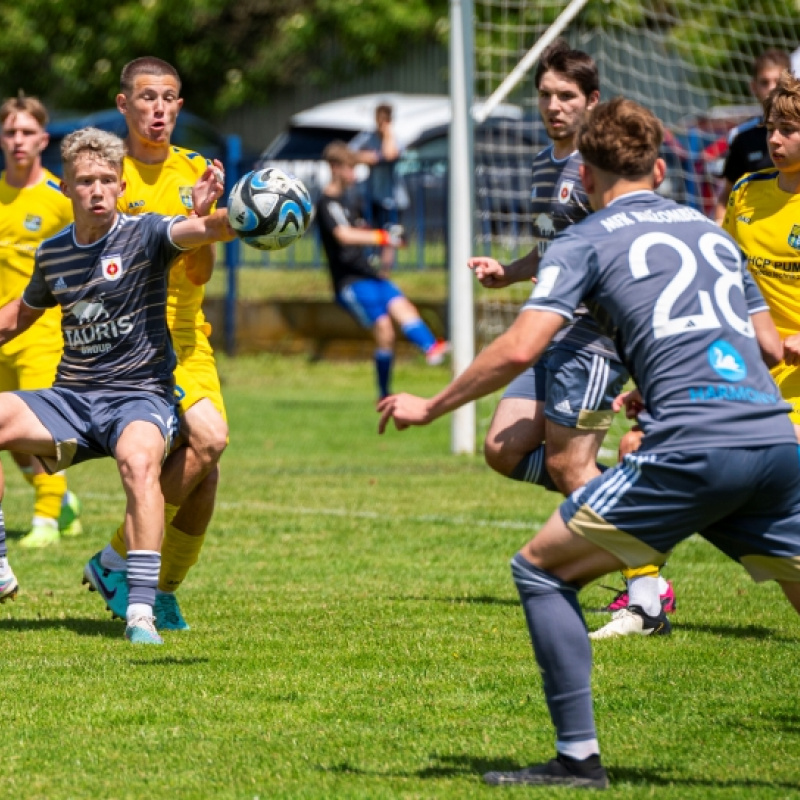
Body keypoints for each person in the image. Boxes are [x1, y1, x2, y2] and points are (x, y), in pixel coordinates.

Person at [378, 97, 800, 790]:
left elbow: (522, 345)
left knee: (541, 570)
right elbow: (764, 343)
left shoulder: (585, 236)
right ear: (660, 167)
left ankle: (576, 759)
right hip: (773, 438)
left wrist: (432, 404)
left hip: (692, 447)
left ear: (587, 175)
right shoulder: (713, 231)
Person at [468, 40, 675, 638]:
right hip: (551, 325)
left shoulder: (600, 172)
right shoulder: (541, 166)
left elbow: (635, 247)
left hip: (594, 334)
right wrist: (507, 272)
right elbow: (552, 249)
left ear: (592, 101)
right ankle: (622, 491)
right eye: (546, 96)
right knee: (504, 450)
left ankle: (647, 595)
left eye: (567, 96)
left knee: (566, 462)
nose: (554, 107)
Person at [0, 127, 234, 645]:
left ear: (121, 183)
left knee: (140, 462)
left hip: (140, 397)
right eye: (86, 181)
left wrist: (227, 216)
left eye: (108, 179)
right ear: (67, 188)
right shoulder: (54, 253)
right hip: (72, 399)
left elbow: (207, 232)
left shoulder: (148, 232)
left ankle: (140, 612)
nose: (98, 190)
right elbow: (17, 316)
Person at [82, 57, 229, 632]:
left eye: (169, 98)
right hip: (132, 342)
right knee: (211, 439)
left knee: (204, 469)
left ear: (180, 106)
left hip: (190, 342)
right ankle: (120, 559)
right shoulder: (106, 177)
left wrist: (200, 216)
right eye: (147, 97)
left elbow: (201, 276)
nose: (158, 109)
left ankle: (157, 586)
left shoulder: (194, 171)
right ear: (124, 105)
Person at [0, 93, 83, 548]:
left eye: (27, 132)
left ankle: (47, 520)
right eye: (11, 131)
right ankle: (62, 499)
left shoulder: (58, 197)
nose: (18, 140)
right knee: (11, 442)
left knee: (43, 431)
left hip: (42, 333)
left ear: (42, 139)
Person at [317, 140, 448, 400]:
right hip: (350, 282)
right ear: (334, 168)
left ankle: (432, 350)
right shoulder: (325, 204)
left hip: (370, 275)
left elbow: (363, 231)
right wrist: (382, 238)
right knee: (385, 332)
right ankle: (384, 393)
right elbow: (344, 235)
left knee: (404, 308)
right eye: (349, 168)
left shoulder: (352, 200)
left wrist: (390, 238)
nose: (354, 175)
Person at [723, 69, 800, 441]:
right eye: (771, 128)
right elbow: (721, 270)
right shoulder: (746, 191)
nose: (775, 139)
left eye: (788, 129)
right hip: (749, 358)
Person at [712, 48, 791, 224]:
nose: (772, 88)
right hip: (757, 229)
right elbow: (727, 194)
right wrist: (721, 229)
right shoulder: (742, 136)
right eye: (765, 82)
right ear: (753, 87)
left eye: (778, 81)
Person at [349, 102, 406, 272]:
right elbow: (348, 153)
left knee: (390, 237)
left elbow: (389, 154)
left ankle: (384, 274)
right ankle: (368, 270)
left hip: (393, 198)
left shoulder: (395, 138)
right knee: (369, 233)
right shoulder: (367, 137)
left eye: (384, 120)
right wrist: (369, 157)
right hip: (370, 196)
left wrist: (387, 133)